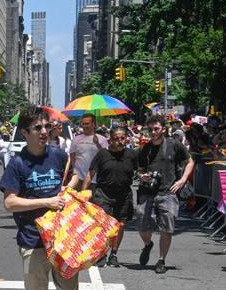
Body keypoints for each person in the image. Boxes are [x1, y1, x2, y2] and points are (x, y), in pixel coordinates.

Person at [0, 106, 76, 290]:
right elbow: (10, 203)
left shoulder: (58, 155)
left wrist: (69, 187)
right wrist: (46, 202)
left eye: (46, 127)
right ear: (25, 133)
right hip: (33, 239)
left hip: (62, 237)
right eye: (37, 128)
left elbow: (73, 176)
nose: (44, 132)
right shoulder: (17, 163)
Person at [134, 114, 195, 274]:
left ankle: (161, 260)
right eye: (150, 129)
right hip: (147, 192)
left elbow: (190, 162)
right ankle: (148, 244)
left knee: (167, 228)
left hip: (168, 192)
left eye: (156, 129)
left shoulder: (174, 145)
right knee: (141, 222)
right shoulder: (145, 149)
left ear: (163, 129)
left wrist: (182, 180)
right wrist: (143, 176)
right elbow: (139, 170)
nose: (153, 132)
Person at [84, 127, 137, 267]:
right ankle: (102, 254)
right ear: (110, 139)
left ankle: (114, 253)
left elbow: (141, 170)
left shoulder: (131, 154)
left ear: (126, 138)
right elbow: (90, 174)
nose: (119, 141)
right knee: (103, 225)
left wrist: (144, 176)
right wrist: (82, 193)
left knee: (120, 225)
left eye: (122, 138)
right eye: (116, 139)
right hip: (103, 194)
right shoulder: (102, 154)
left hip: (123, 195)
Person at [70, 114, 108, 189]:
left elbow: (106, 156)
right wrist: (74, 170)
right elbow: (72, 156)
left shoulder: (102, 139)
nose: (84, 126)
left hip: (94, 179)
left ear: (94, 124)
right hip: (78, 179)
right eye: (83, 124)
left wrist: (97, 144)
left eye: (87, 124)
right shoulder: (77, 138)